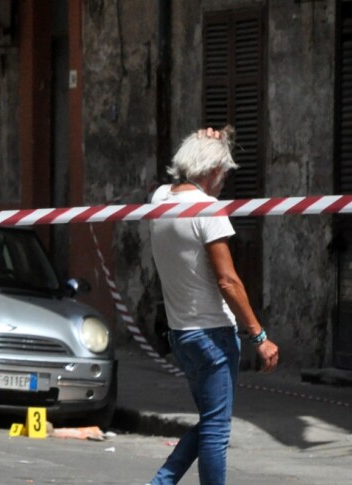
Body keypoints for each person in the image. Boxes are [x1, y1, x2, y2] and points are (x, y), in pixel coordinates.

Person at [148, 126, 279, 485]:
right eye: (223, 172)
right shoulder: (209, 209)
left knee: (210, 421)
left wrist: (216, 135)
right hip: (213, 335)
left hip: (182, 335)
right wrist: (259, 335)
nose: (224, 181)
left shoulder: (159, 198)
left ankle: (160, 482)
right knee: (217, 431)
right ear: (211, 170)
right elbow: (229, 281)